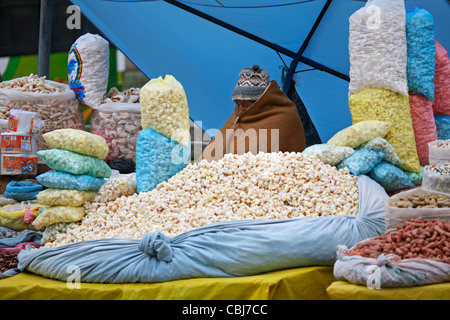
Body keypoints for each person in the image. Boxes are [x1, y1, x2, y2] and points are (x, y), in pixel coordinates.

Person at [199, 64, 307, 162]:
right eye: (237, 104)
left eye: (246, 105)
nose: (240, 110)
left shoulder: (284, 118)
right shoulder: (237, 116)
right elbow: (211, 154)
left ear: (260, 103)